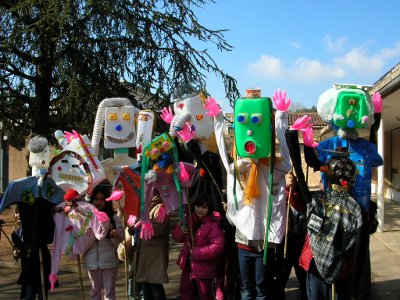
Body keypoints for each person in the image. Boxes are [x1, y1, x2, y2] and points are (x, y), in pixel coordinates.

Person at [172, 192, 225, 300]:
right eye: (198, 206)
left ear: (209, 209)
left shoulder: (213, 224)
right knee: (185, 291)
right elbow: (177, 237)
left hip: (205, 268)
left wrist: (197, 252)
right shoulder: (188, 219)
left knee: (205, 294)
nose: (200, 209)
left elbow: (218, 246)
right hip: (188, 265)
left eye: (204, 207)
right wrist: (181, 230)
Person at [268, 171, 308, 300]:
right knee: (280, 276)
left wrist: (294, 191)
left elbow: (301, 208)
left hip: (300, 241)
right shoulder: (279, 194)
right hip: (284, 242)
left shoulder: (301, 195)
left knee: (303, 277)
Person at [83, 185, 124, 300]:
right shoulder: (86, 217)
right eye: (96, 199)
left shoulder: (113, 217)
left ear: (106, 200)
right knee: (94, 293)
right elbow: (80, 236)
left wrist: (115, 233)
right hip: (91, 260)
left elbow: (122, 236)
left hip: (109, 260)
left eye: (102, 199)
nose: (98, 202)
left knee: (109, 293)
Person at [11, 204, 53, 300]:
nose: (18, 215)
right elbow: (17, 246)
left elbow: (46, 238)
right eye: (16, 212)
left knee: (41, 291)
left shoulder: (35, 227)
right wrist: (16, 252)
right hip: (27, 266)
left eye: (20, 212)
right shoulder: (16, 231)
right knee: (28, 293)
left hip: (40, 263)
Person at [135, 195, 170, 300]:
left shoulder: (161, 207)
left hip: (155, 255)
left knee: (155, 285)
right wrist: (133, 227)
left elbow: (160, 229)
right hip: (144, 253)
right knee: (145, 284)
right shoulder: (144, 207)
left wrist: (144, 224)